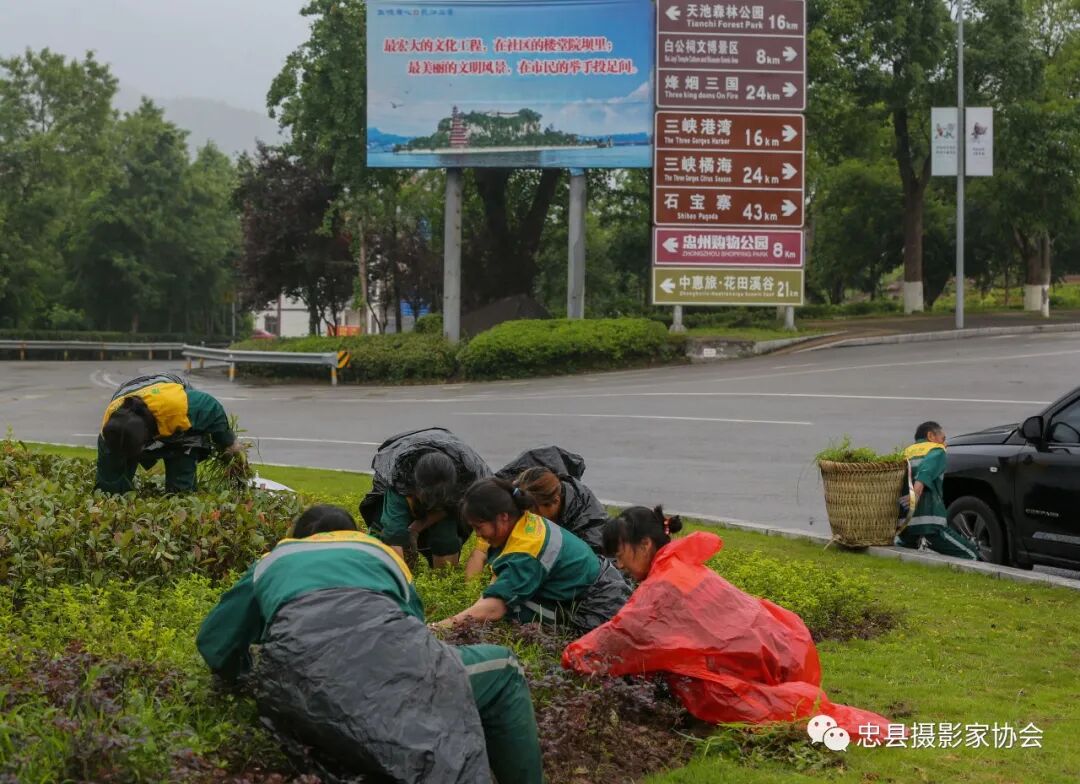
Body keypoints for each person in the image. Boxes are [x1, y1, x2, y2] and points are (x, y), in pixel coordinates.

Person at [196, 504, 542, 784]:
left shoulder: (271, 562)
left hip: (300, 694)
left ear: (300, 538)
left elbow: (215, 644)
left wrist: (244, 682)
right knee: (504, 669)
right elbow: (415, 634)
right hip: (392, 676)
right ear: (351, 533)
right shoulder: (381, 555)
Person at [562, 506, 892, 739]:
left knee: (735, 699)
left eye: (621, 556)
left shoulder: (662, 585)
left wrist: (576, 655)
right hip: (781, 651)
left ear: (644, 545)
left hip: (751, 665)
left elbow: (627, 634)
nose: (619, 567)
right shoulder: (681, 566)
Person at [440, 478, 630, 633]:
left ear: (503, 517)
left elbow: (495, 607)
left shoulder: (526, 549)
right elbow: (498, 583)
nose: (478, 535)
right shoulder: (522, 522)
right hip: (598, 586)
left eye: (478, 527)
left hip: (599, 604)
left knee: (513, 608)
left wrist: (439, 628)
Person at [360, 427, 491, 569]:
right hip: (407, 472)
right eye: (429, 497)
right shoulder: (401, 482)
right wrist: (405, 581)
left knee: (445, 538)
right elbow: (394, 536)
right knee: (389, 534)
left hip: (450, 494)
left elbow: (452, 507)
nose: (432, 504)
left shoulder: (463, 478)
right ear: (417, 488)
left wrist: (416, 529)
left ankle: (443, 578)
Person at [96, 373, 241, 494]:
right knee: (112, 481)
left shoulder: (178, 407)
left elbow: (212, 409)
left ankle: (181, 493)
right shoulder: (110, 432)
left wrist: (228, 443)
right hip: (134, 425)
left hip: (174, 420)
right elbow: (108, 475)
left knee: (182, 471)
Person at [465, 465, 607, 578]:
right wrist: (471, 591)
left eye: (532, 513)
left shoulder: (586, 521)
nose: (527, 519)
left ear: (555, 502)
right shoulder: (517, 500)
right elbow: (480, 553)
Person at [897, 421, 980, 560]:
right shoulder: (936, 450)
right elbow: (927, 470)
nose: (944, 443)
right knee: (971, 556)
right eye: (943, 438)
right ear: (931, 435)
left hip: (905, 525)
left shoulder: (905, 453)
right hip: (930, 524)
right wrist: (916, 493)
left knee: (906, 556)